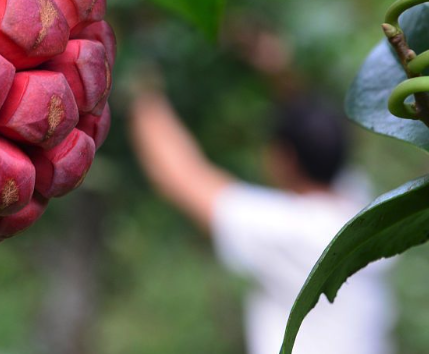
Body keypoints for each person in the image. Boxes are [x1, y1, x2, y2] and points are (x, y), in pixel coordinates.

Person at [128, 52, 395, 354]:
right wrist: (276, 68)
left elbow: (179, 177)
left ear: (285, 159)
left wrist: (140, 83)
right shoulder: (358, 205)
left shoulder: (292, 233)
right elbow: (313, 125)